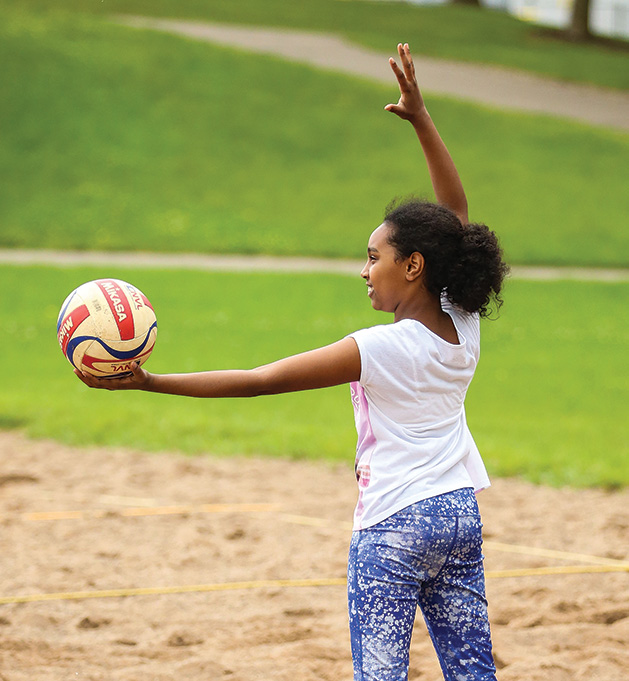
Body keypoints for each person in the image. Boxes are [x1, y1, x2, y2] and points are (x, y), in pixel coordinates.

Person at [76, 43, 507, 681]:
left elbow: (260, 381)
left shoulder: (381, 348)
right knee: (473, 672)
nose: (364, 271)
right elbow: (457, 216)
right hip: (458, 515)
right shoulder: (462, 321)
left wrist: (150, 382)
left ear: (413, 265)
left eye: (374, 257)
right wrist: (421, 119)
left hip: (393, 525)